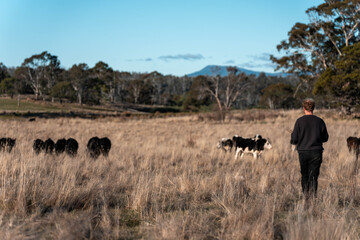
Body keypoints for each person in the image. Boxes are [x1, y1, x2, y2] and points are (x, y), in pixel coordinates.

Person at [291, 98, 329, 198]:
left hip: (303, 152)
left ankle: (305, 197)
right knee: (314, 176)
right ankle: (313, 198)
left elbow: (294, 139)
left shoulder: (299, 121)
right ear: (313, 108)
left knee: (304, 175)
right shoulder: (320, 121)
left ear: (304, 108)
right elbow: (325, 138)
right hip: (316, 152)